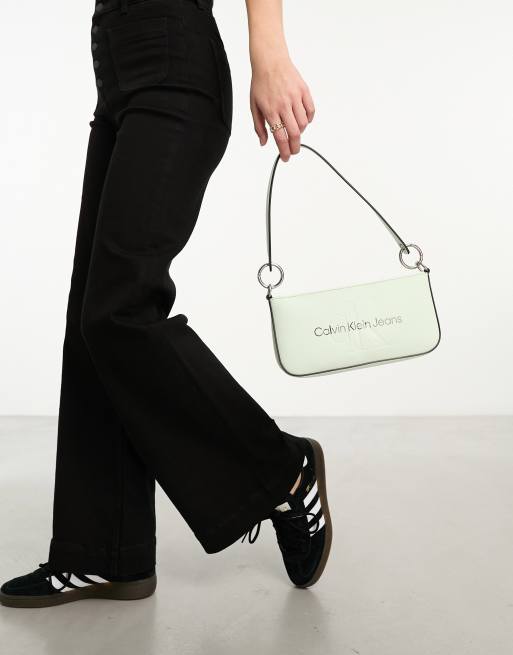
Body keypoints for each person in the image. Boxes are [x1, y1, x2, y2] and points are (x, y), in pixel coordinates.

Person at [0, 0, 332, 609]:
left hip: (173, 62)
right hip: (117, 67)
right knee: (94, 319)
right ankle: (103, 554)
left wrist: (270, 52)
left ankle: (282, 470)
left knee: (118, 310)